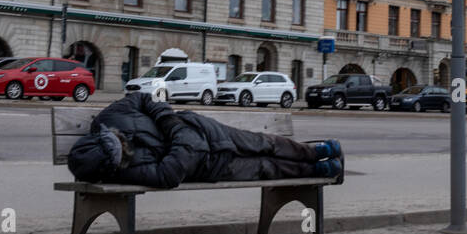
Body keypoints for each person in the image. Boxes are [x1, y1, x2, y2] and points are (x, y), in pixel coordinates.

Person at [68, 92, 344, 188]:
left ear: (105, 134)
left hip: (203, 129)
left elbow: (142, 98)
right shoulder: (119, 172)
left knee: (265, 143)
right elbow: (168, 175)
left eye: (119, 144)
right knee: (266, 167)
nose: (125, 151)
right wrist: (181, 141)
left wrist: (168, 122)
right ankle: (317, 170)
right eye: (120, 156)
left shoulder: (112, 115)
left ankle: (315, 151)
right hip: (207, 167)